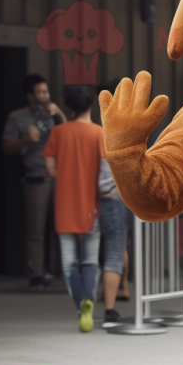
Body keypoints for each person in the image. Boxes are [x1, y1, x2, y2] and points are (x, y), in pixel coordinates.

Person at [43, 86, 105, 332]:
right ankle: (89, 298)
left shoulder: (58, 132)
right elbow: (105, 171)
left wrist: (67, 175)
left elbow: (50, 169)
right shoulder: (100, 133)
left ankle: (82, 305)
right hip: (92, 206)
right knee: (90, 260)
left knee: (69, 263)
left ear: (69, 107)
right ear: (91, 105)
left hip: (65, 206)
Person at [2, 74, 66, 288]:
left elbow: (68, 134)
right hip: (35, 177)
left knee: (62, 226)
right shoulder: (17, 117)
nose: (44, 96)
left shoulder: (53, 114)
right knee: (36, 228)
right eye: (40, 92)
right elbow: (6, 147)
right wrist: (24, 141)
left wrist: (59, 114)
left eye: (46, 92)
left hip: (58, 177)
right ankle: (36, 273)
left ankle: (60, 269)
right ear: (30, 95)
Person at [98, 157, 131, 327]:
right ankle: (110, 309)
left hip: (91, 200)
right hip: (114, 198)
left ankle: (86, 307)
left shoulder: (95, 139)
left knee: (89, 255)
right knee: (116, 252)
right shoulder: (115, 143)